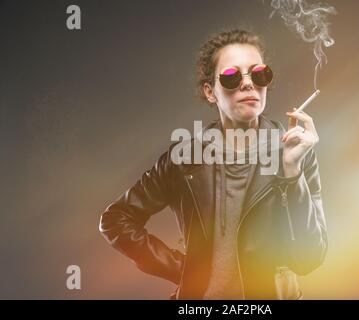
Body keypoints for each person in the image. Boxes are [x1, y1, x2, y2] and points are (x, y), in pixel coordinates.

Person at [99, 29, 327, 300]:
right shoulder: (184, 158)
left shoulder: (296, 152)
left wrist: (292, 172)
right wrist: (184, 270)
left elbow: (310, 257)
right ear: (210, 92)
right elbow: (116, 220)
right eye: (231, 76)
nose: (248, 84)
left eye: (258, 73)